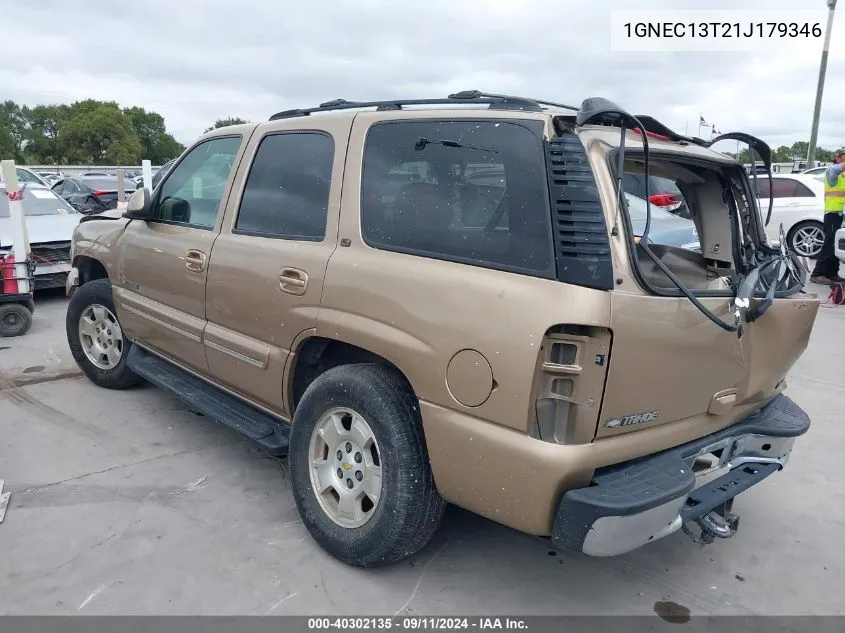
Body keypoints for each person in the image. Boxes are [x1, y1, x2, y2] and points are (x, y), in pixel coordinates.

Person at [810, 150, 845, 284]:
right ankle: (817, 273)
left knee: (836, 244)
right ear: (836, 158)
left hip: (841, 213)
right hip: (833, 212)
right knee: (829, 243)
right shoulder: (832, 170)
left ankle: (832, 273)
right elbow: (836, 170)